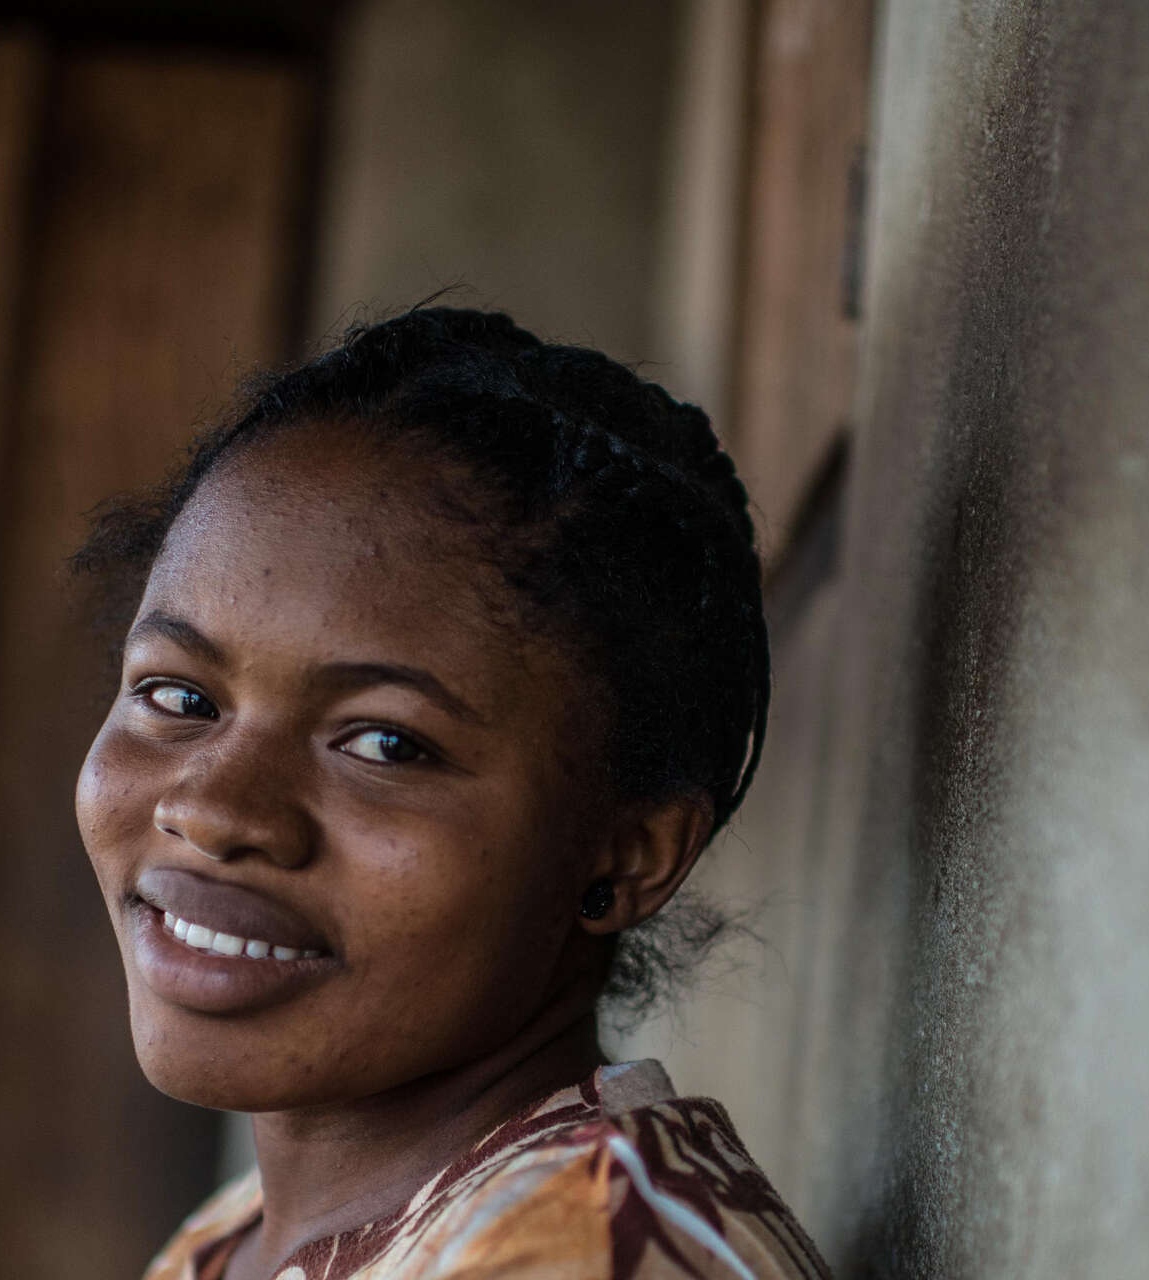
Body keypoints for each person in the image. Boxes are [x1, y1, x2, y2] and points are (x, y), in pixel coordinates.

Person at [73, 307, 830, 1280]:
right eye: (178, 695)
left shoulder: (582, 1253)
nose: (215, 809)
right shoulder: (241, 1236)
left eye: (385, 743)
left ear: (629, 854)